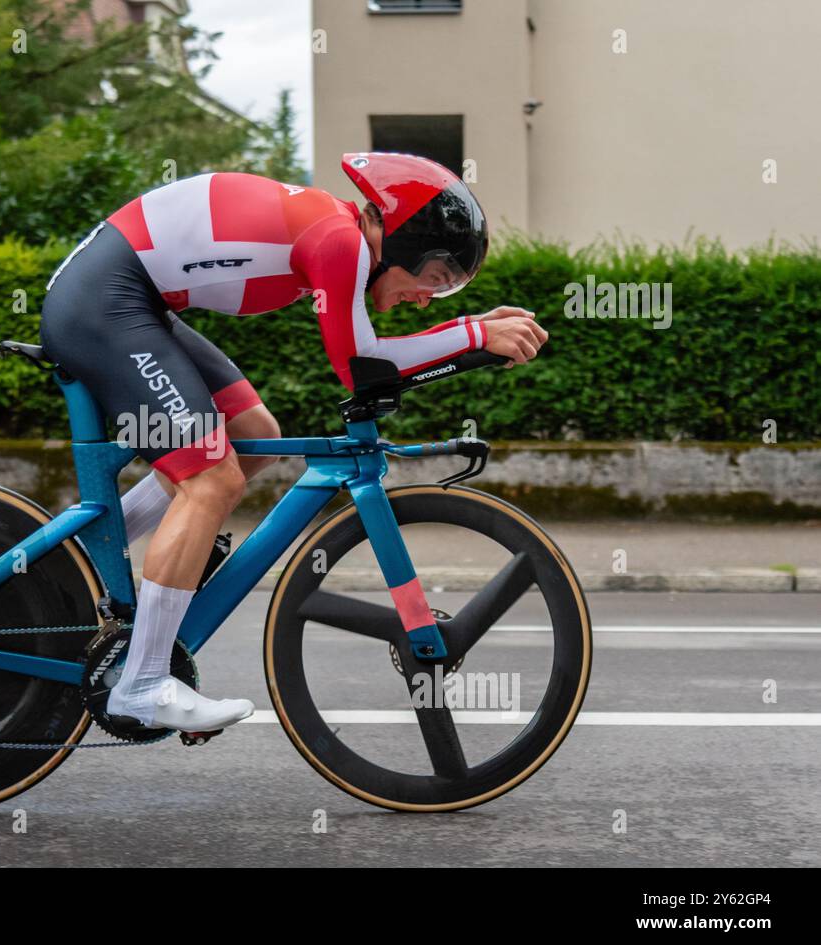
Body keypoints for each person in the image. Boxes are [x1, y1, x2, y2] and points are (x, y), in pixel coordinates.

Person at [40, 152, 547, 734]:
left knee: (257, 435)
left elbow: (368, 353)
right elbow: (361, 366)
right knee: (212, 480)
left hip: (129, 300)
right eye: (435, 278)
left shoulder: (342, 239)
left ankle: (70, 563)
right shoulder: (340, 242)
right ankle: (144, 684)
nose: (429, 298)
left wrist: (469, 331)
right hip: (107, 303)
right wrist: (476, 333)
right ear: (405, 241)